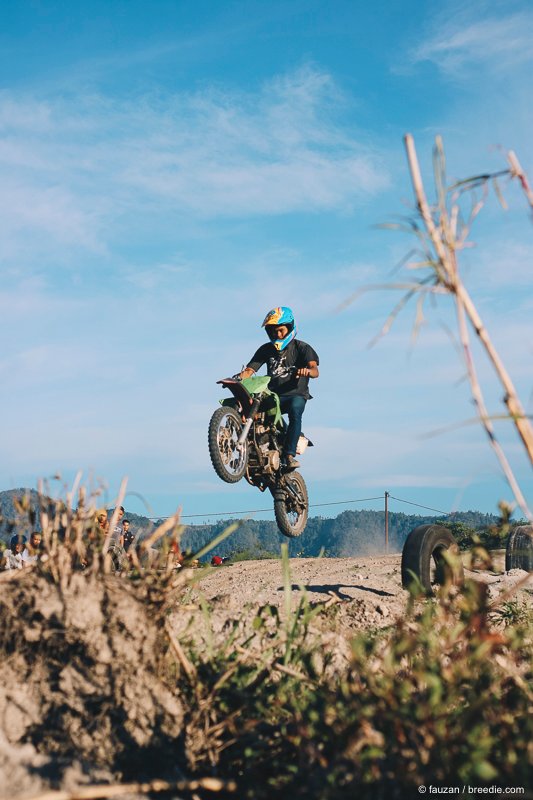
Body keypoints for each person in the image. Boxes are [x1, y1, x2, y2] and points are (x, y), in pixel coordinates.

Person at [238, 306, 319, 469]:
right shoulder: (265, 349)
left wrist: (307, 371)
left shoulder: (302, 348)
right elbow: (250, 370)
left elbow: (315, 370)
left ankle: (289, 455)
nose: (277, 334)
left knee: (296, 411)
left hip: (296, 393)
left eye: (280, 330)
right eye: (273, 331)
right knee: (252, 413)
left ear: (289, 327)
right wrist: (239, 378)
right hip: (273, 396)